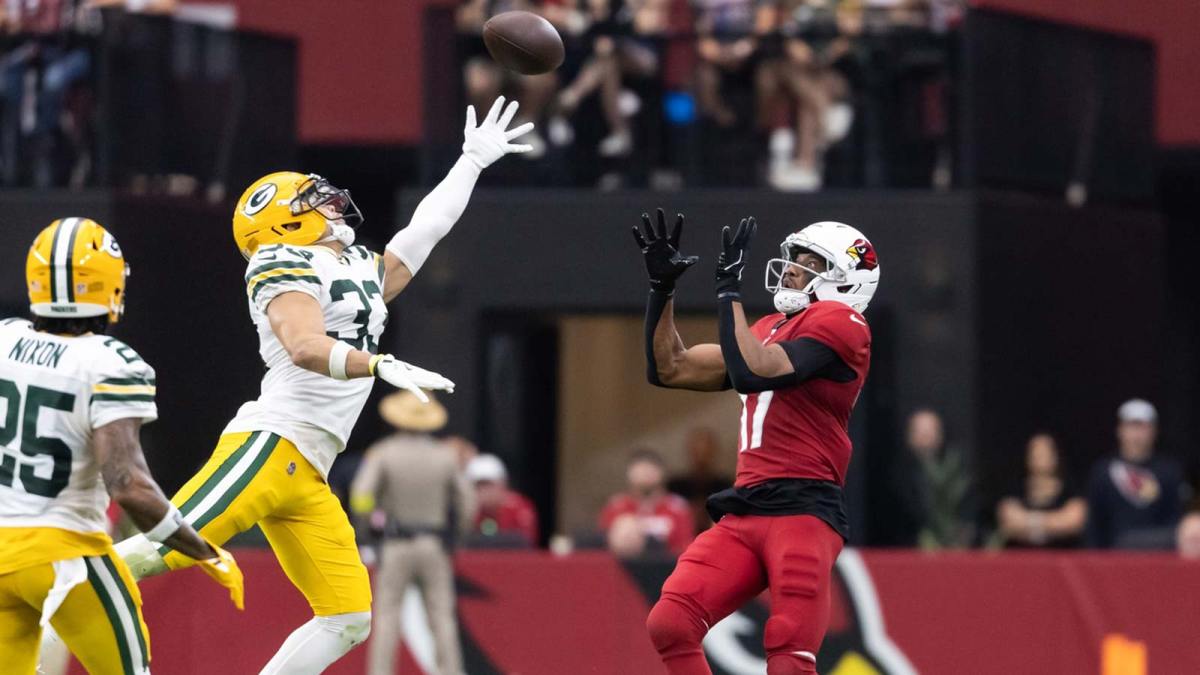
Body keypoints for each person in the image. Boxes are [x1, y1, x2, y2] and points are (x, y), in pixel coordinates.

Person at [111, 96, 534, 672]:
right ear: (283, 223)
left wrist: (470, 162)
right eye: (310, 200)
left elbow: (425, 230)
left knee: (349, 617)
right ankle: (33, 586)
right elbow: (305, 345)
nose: (330, 202)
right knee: (165, 548)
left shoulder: (356, 267)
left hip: (311, 466)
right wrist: (378, 365)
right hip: (272, 442)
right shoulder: (279, 261)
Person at [633, 209, 879, 674]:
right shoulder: (767, 327)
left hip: (804, 510)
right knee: (671, 621)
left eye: (812, 262)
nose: (794, 268)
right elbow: (671, 367)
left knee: (788, 654)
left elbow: (755, 370)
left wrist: (728, 290)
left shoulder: (843, 322)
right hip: (747, 507)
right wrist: (661, 290)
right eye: (795, 258)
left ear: (848, 280)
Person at [2, 219, 242, 674]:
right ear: (108, 283)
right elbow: (128, 485)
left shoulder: (5, 337)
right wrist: (201, 549)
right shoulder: (111, 363)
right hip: (66, 554)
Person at [351, 391, 475, 675]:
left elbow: (361, 495)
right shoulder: (445, 456)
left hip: (395, 543)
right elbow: (467, 500)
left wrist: (367, 527)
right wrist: (457, 535)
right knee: (442, 617)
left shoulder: (384, 453)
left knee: (387, 617)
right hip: (433, 543)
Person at [1086, 399, 1188, 549]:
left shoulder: (1169, 471)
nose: (1137, 434)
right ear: (1120, 430)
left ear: (1154, 431)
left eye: (1143, 428)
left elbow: (1175, 519)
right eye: (1131, 426)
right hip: (1112, 554)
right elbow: (1094, 523)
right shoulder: (1102, 471)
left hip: (1159, 552)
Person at [892, 408, 974, 549]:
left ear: (940, 434)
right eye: (919, 431)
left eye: (930, 431)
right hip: (909, 549)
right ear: (908, 436)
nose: (925, 437)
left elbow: (969, 508)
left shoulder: (957, 468)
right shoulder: (897, 477)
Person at [996, 433, 1086, 548]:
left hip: (1062, 556)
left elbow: (1073, 522)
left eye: (1044, 453)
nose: (1039, 457)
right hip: (1021, 556)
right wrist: (1052, 524)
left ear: (1055, 457)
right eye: (1035, 452)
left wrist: (1026, 523)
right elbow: (1008, 522)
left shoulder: (1070, 492)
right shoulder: (1014, 492)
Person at [599, 449, 694, 556]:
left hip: (666, 564)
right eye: (639, 468)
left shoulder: (677, 507)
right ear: (629, 473)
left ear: (662, 472)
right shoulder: (616, 506)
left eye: (650, 467)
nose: (645, 473)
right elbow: (603, 544)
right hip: (623, 565)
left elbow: (685, 546)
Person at [667, 427, 733, 532]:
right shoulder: (675, 486)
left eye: (706, 450)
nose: (701, 455)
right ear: (689, 451)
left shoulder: (726, 486)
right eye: (697, 450)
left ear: (713, 452)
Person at [465, 454, 539, 546]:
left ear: (502, 484)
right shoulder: (468, 511)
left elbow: (526, 541)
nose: (483, 491)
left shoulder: (519, 508)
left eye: (488, 485)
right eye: (478, 486)